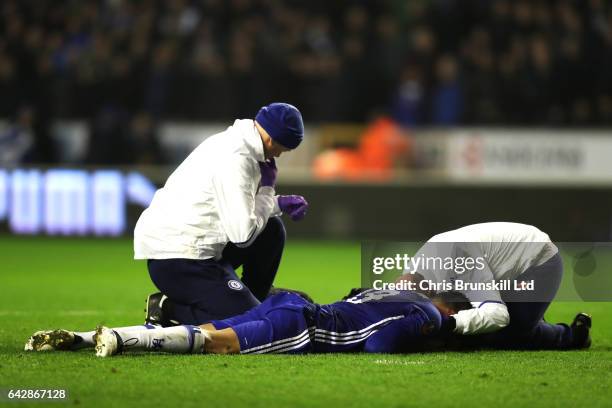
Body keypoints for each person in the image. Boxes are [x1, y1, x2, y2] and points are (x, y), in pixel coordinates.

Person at [135, 102, 310, 326]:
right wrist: (268, 191)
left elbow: (236, 209)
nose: (281, 154)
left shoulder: (236, 141)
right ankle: (168, 309)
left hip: (190, 247)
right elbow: (242, 235)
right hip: (178, 259)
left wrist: (277, 204)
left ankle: (253, 296)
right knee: (251, 322)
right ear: (272, 140)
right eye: (284, 149)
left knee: (272, 229)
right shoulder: (238, 159)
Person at [87, 289, 472, 356]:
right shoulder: (431, 315)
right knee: (215, 343)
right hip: (302, 328)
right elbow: (379, 345)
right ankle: (123, 343)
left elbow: (356, 294)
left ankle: (83, 338)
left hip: (288, 304)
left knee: (207, 331)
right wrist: (432, 334)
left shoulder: (392, 291)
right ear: (452, 311)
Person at [395, 222, 591, 349]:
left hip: (538, 262)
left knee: (510, 335)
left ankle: (573, 336)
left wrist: (450, 323)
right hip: (498, 267)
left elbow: (497, 315)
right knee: (473, 330)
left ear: (430, 292)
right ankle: (528, 313)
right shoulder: (412, 276)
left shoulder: (460, 264)